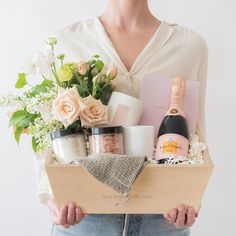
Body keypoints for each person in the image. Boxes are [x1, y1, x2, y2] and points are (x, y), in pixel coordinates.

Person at [35, 0, 208, 235]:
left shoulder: (189, 47)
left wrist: (189, 200)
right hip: (85, 218)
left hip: (161, 221)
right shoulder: (66, 42)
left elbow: (197, 134)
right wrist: (52, 197)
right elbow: (48, 133)